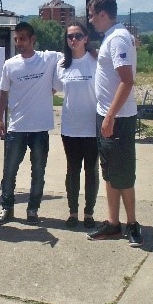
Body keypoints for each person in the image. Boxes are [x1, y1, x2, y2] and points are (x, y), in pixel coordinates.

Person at [85, 0, 143, 247]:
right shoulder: (113, 37)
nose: (90, 20)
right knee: (109, 172)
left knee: (123, 175)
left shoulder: (118, 37)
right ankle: (113, 223)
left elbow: (127, 80)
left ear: (103, 14)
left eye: (91, 15)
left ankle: (132, 224)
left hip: (117, 118)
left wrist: (109, 116)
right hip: (107, 115)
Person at [0, 21, 60, 225]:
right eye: (16, 39)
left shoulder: (48, 58)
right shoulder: (10, 65)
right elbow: (3, 93)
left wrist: (93, 51)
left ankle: (33, 210)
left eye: (22, 39)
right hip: (16, 128)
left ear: (33, 39)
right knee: (9, 172)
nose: (18, 43)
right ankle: (7, 208)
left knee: (38, 173)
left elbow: (74, 53)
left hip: (40, 129)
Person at [53, 21, 99, 228]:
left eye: (78, 36)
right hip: (70, 127)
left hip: (92, 126)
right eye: (70, 36)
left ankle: (89, 213)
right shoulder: (62, 64)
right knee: (72, 170)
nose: (74, 40)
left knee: (91, 170)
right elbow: (52, 89)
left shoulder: (96, 60)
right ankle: (73, 212)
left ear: (86, 38)